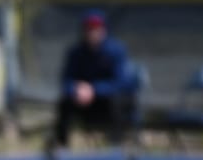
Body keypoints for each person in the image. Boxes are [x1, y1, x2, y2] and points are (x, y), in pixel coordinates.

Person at [53, 9, 142, 148]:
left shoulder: (116, 50)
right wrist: (76, 89)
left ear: (104, 30)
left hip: (110, 102)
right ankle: (61, 147)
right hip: (87, 104)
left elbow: (122, 83)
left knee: (117, 101)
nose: (93, 32)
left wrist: (94, 89)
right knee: (65, 103)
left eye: (96, 28)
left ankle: (115, 148)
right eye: (89, 28)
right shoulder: (76, 53)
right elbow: (66, 81)